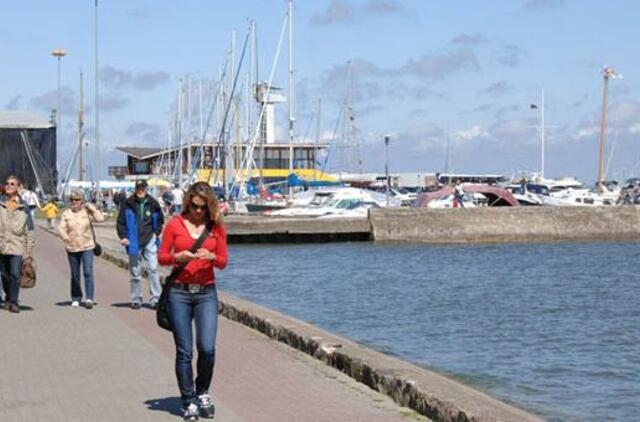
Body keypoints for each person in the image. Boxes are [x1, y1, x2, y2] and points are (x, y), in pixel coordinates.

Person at [158, 182, 228, 421]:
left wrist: (213, 256)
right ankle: (188, 400)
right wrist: (177, 256)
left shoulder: (216, 226)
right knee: (185, 351)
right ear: (189, 202)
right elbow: (162, 257)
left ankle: (203, 392)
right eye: (195, 206)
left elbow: (223, 261)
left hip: (206, 292)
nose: (199, 212)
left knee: (207, 348)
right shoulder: (175, 224)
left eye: (203, 207)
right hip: (179, 292)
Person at [117, 179, 164, 309]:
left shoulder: (153, 203)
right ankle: (136, 298)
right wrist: (123, 237)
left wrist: (156, 233)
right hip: (133, 241)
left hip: (150, 239)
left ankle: (155, 299)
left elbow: (160, 220)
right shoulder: (128, 203)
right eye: (138, 188)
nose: (140, 190)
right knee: (135, 271)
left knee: (153, 269)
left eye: (142, 188)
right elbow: (120, 222)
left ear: (146, 189)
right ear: (135, 189)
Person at [58, 190, 105, 308]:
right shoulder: (66, 214)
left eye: (77, 200)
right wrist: (65, 237)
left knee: (88, 272)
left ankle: (89, 298)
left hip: (87, 246)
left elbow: (100, 219)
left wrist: (92, 208)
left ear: (82, 201)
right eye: (72, 200)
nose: (75, 202)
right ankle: (76, 297)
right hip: (72, 247)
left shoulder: (87, 212)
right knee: (75, 274)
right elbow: (61, 228)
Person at [0, 176, 35, 313]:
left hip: (17, 245)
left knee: (15, 274)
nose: (8, 186)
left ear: (18, 187)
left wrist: (29, 251)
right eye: (7, 184)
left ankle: (14, 302)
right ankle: (9, 296)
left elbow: (29, 230)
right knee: (4, 274)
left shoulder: (24, 207)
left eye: (12, 184)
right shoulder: (1, 204)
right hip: (2, 245)